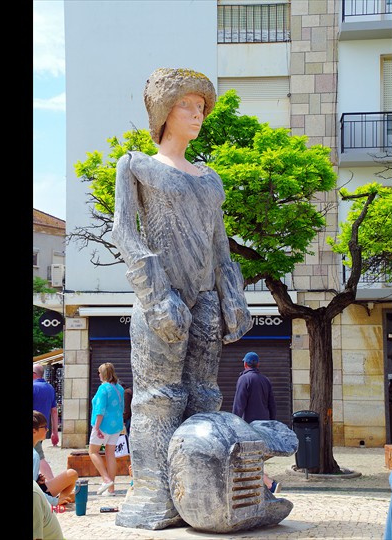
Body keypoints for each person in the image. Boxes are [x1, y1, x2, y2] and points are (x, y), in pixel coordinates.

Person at [113, 67, 253, 530]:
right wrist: (155, 295)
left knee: (204, 395)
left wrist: (232, 296)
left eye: (201, 107)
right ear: (163, 112)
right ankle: (154, 495)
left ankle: (200, 495)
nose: (197, 115)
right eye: (186, 106)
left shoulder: (210, 179)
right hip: (162, 296)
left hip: (205, 298)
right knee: (158, 398)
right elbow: (124, 232)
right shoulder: (137, 165)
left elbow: (219, 243)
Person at [232, 351, 280, 493]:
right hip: (264, 425)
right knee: (256, 457)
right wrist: (272, 424)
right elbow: (272, 405)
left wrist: (234, 424)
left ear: (245, 364)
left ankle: (269, 484)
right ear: (258, 364)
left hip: (249, 426)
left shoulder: (244, 379)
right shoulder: (265, 380)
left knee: (247, 458)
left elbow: (239, 404)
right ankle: (260, 485)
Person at [88, 362, 125, 497]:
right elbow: (122, 407)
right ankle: (111, 489)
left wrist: (96, 427)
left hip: (103, 425)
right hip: (116, 425)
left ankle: (106, 479)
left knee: (93, 451)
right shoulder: (119, 388)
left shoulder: (103, 388)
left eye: (99, 372)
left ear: (102, 374)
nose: (98, 375)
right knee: (110, 454)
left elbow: (100, 410)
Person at [33, 410, 78, 508]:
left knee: (72, 474)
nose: (47, 430)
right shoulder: (34, 455)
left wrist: (37, 479)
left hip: (39, 490)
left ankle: (62, 499)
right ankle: (59, 500)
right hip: (37, 495)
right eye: (44, 427)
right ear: (34, 431)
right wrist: (55, 501)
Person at [33, 364, 59, 462]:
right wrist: (55, 432)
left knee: (38, 457)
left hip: (33, 427)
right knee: (37, 455)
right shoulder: (50, 388)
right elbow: (54, 411)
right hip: (42, 428)